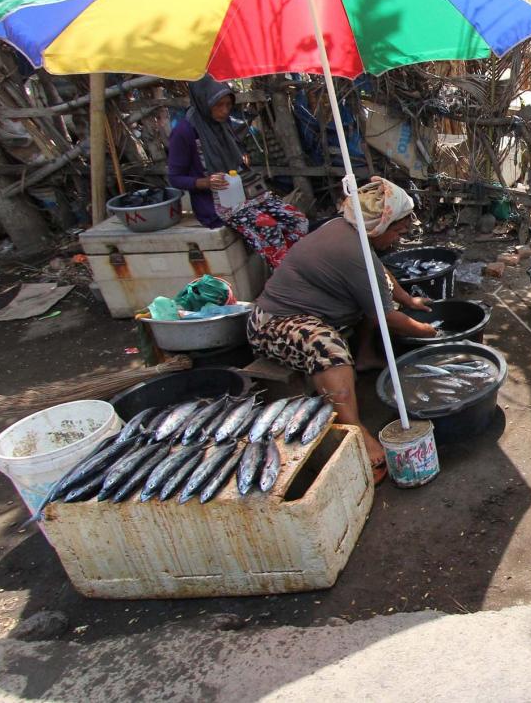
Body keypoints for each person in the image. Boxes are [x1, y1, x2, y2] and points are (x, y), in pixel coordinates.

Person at [247, 178, 437, 482]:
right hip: (273, 323)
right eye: (397, 232)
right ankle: (355, 429)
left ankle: (363, 357)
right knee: (327, 347)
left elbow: (380, 276)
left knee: (368, 298)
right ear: (379, 226)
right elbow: (387, 316)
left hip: (318, 311)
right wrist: (426, 331)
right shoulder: (352, 249)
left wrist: (408, 299)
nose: (398, 240)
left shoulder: (349, 231)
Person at [168, 75, 265, 229]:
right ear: (204, 103)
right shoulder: (184, 132)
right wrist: (205, 182)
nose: (225, 111)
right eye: (218, 105)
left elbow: (234, 152)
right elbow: (175, 178)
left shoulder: (222, 124)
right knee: (270, 227)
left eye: (228, 105)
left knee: (294, 219)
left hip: (243, 196)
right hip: (214, 208)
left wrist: (240, 158)